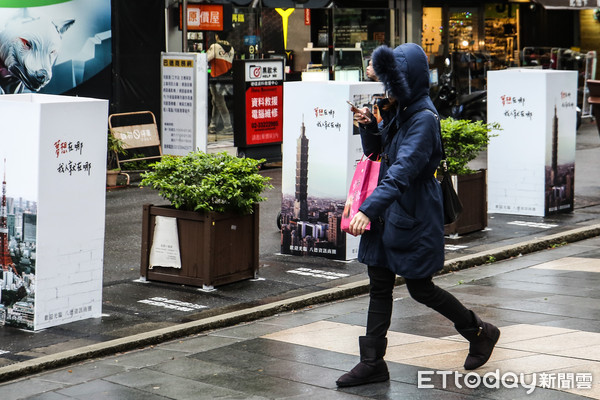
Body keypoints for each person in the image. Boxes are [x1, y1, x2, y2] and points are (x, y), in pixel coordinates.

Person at [336, 43, 500, 388]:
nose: (385, 88)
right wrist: (369, 126)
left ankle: (480, 331)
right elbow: (380, 153)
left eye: (390, 82)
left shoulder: (423, 118)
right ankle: (372, 363)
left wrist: (367, 209)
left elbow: (403, 171)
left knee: (420, 287)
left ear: (406, 80)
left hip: (411, 209)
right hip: (390, 207)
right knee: (379, 285)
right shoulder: (404, 108)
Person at [207, 32, 234, 135]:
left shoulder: (215, 46)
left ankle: (228, 126)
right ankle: (213, 125)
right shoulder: (231, 48)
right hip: (227, 78)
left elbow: (206, 58)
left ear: (217, 36)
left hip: (216, 77)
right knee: (216, 101)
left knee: (219, 102)